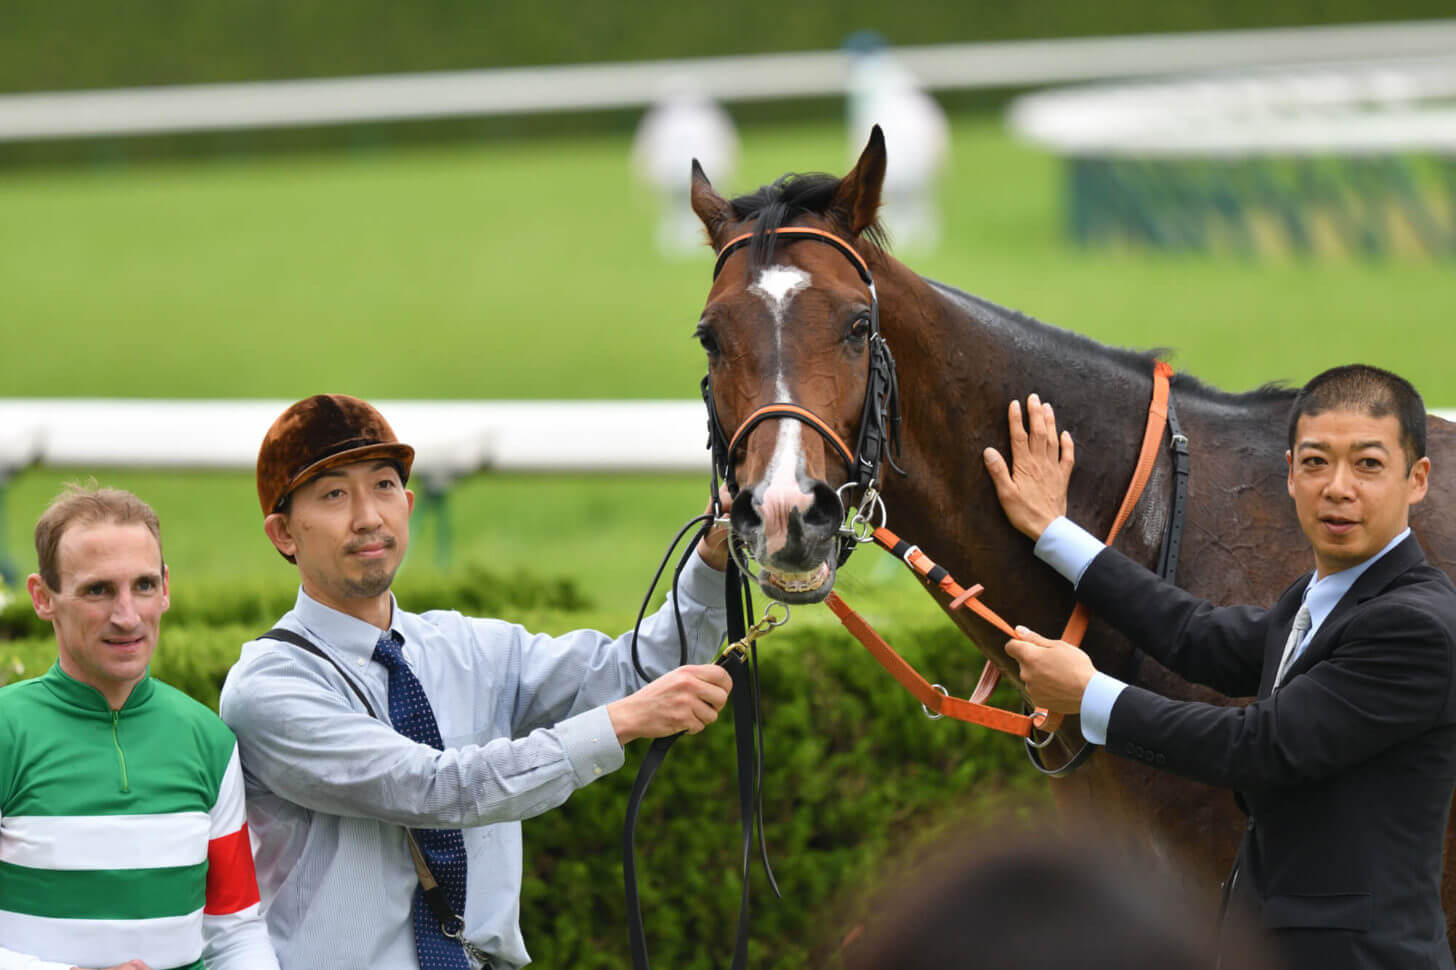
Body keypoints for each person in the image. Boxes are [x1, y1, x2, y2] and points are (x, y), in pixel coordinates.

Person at [218, 394, 734, 970]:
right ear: (282, 533)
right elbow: (433, 790)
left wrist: (712, 561)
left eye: (384, 486)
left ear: (408, 505)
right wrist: (623, 722)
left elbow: (633, 673)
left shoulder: (468, 647)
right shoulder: (268, 686)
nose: (369, 516)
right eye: (335, 494)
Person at [981, 364, 1456, 970]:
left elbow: (1260, 748)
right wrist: (1054, 533)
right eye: (1315, 462)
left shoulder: (1413, 625)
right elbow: (1195, 634)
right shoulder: (1317, 599)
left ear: (1416, 480)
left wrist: (1091, 695)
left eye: (1368, 465)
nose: (1338, 487)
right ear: (1289, 473)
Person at [1, 486, 278, 970]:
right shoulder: (8, 730)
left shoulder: (207, 739)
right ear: (42, 598)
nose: (127, 616)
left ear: (166, 589)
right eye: (98, 589)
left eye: (144, 586)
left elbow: (235, 931)